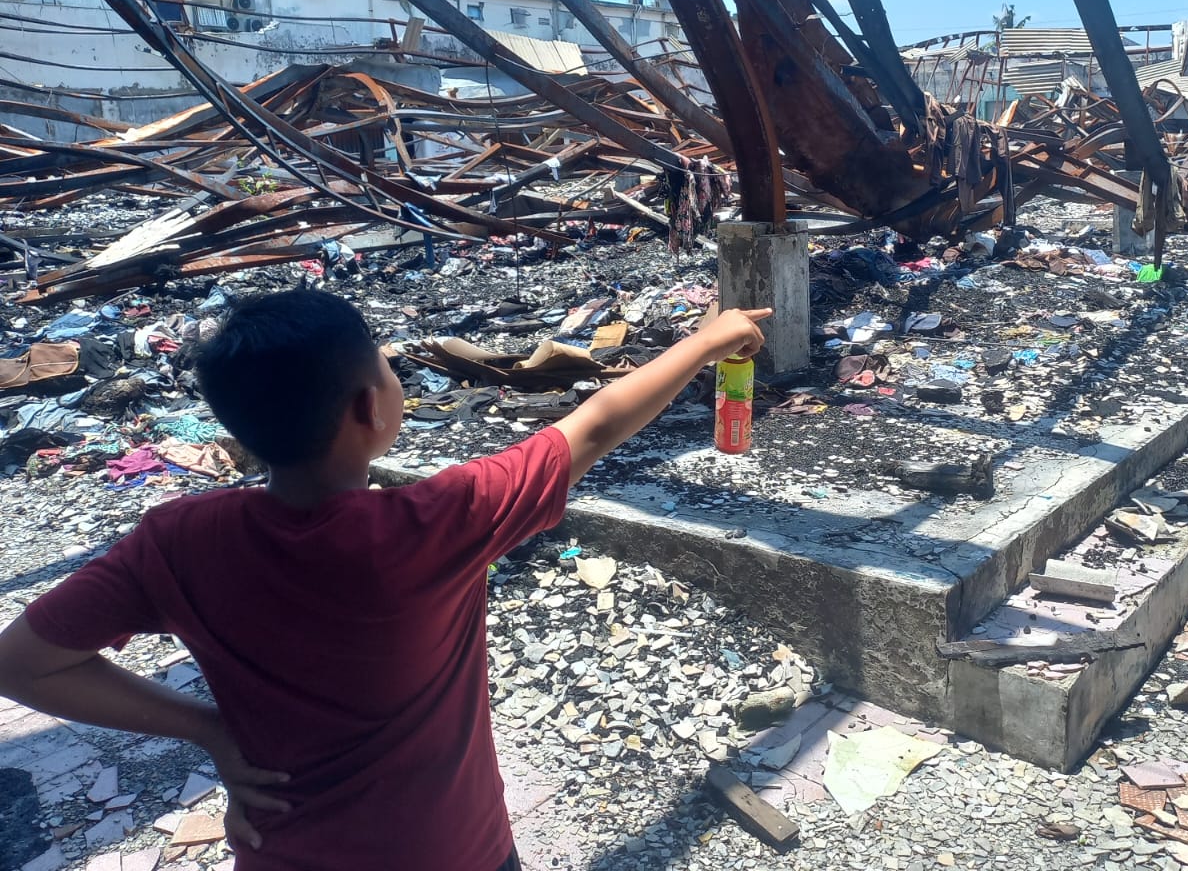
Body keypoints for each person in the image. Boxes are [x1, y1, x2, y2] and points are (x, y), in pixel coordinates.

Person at [0, 289, 770, 870]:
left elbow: (21, 662)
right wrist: (710, 339)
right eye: (388, 367)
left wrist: (209, 730)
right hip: (453, 851)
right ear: (371, 407)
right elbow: (596, 422)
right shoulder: (441, 521)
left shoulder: (177, 541)